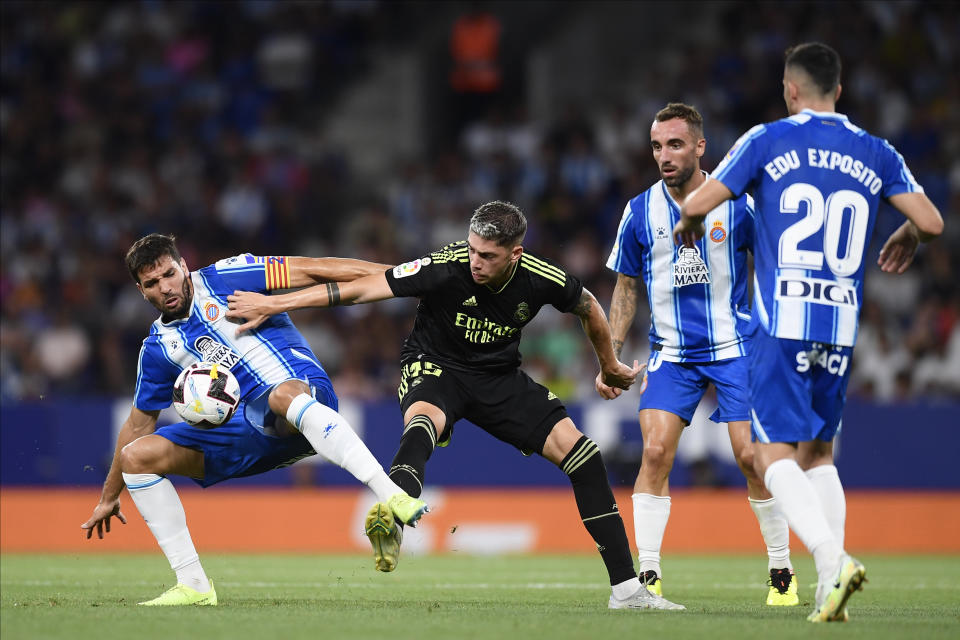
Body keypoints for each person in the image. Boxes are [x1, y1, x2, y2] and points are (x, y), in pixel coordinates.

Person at [227, 201, 685, 611]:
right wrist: (277, 303)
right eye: (472, 250)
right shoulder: (445, 266)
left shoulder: (541, 278)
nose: (475, 262)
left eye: (488, 256)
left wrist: (608, 364)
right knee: (423, 424)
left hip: (496, 377)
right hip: (434, 365)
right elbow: (362, 289)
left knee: (584, 457)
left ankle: (626, 590)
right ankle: (393, 513)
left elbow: (588, 305)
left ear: (515, 254)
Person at [675, 43, 944, 622]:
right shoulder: (876, 151)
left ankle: (831, 557)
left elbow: (698, 200)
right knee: (820, 453)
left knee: (768, 453)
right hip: (841, 328)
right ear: (839, 91)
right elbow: (931, 221)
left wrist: (689, 225)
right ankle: (829, 589)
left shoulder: (766, 140)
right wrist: (908, 236)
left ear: (790, 90)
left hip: (783, 323)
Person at [81, 234, 427, 606]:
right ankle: (194, 585)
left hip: (300, 398)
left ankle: (393, 496)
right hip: (244, 436)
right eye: (152, 283)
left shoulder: (226, 277)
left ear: (183, 266)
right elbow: (138, 425)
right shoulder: (158, 348)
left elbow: (312, 270)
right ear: (140, 289)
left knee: (280, 396)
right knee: (137, 456)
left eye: (169, 274)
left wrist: (405, 278)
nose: (165, 287)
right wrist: (108, 496)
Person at [599, 102, 797, 605]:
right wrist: (613, 354)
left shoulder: (738, 203)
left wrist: (778, 336)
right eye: (657, 146)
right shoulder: (639, 210)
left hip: (737, 348)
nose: (664, 155)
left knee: (751, 457)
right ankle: (647, 576)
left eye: (675, 144)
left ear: (700, 147)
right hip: (673, 352)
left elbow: (775, 263)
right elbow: (625, 287)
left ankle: (781, 570)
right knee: (655, 452)